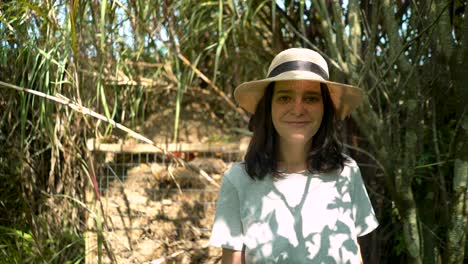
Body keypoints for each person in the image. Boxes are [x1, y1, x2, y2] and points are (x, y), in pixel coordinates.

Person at [209, 48, 379, 263]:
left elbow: (353, 250)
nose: (298, 109)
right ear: (267, 107)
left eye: (310, 98)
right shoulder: (238, 180)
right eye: (285, 97)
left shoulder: (347, 172)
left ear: (325, 108)